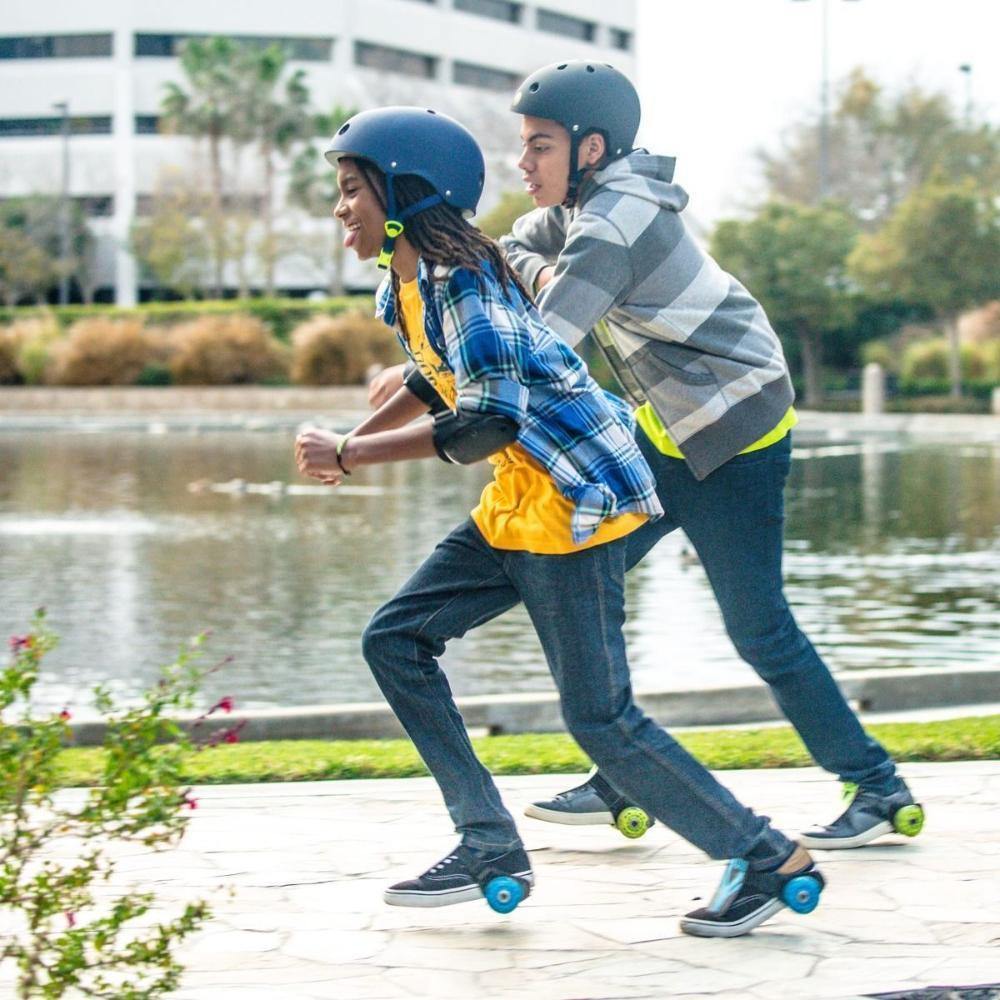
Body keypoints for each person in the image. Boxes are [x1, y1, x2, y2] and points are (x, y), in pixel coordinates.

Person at [296, 105, 826, 937]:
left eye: (351, 189)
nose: (340, 208)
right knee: (394, 639)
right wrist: (350, 439)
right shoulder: (409, 286)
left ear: (402, 194)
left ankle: (763, 857)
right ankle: (487, 845)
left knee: (600, 718)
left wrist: (354, 455)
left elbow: (488, 421)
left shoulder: (464, 284)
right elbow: (441, 379)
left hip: (574, 498)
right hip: (520, 499)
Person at [493, 60, 924, 854]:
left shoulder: (613, 221)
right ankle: (625, 772)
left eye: (539, 146)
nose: (522, 164)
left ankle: (877, 786)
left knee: (759, 628)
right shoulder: (589, 205)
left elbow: (546, 346)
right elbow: (515, 247)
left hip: (734, 425)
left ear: (590, 149)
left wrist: (531, 278)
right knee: (593, 574)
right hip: (673, 424)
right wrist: (535, 265)